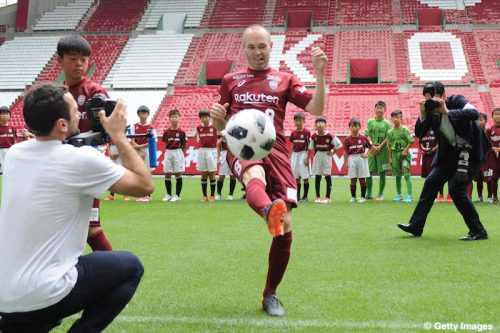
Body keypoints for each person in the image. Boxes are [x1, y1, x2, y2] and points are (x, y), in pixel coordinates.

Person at [0, 83, 154, 332]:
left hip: (6, 296)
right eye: (76, 111)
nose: (81, 115)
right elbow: (145, 185)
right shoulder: (81, 160)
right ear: (62, 124)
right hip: (45, 292)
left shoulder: (16, 154)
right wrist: (118, 136)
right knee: (130, 267)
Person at [209, 24, 327, 316]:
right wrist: (217, 120)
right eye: (252, 47)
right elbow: (222, 126)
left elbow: (315, 109)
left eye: (262, 46)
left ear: (271, 46)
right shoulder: (230, 80)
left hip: (277, 151)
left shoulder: (285, 79)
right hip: (241, 147)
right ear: (244, 48)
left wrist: (321, 74)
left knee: (283, 229)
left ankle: (270, 295)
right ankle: (266, 210)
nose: (257, 52)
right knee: (254, 176)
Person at [397, 81, 491, 240]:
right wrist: (423, 114)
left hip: (471, 152)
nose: (432, 103)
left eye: (434, 99)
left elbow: (474, 113)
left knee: (456, 189)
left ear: (444, 96)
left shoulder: (457, 101)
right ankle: (416, 226)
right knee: (431, 181)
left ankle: (478, 231)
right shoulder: (430, 112)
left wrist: (447, 111)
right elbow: (419, 132)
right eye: (428, 100)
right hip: (449, 155)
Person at [58, 33, 113, 251]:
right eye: (73, 58)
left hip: (87, 166)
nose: (80, 63)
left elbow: (105, 130)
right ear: (59, 60)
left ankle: (115, 274)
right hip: (60, 166)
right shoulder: (57, 94)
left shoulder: (94, 92)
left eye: (84, 59)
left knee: (91, 228)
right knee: (62, 225)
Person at [310, 117, 341, 203]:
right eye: (318, 123)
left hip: (327, 156)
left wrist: (333, 152)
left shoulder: (330, 135)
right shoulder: (313, 136)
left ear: (325, 125)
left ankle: (328, 197)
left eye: (322, 123)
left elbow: (338, 144)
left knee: (327, 175)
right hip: (318, 156)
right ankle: (318, 196)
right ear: (315, 125)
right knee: (318, 175)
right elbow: (311, 147)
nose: (320, 124)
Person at [364, 101, 391, 200]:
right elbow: (367, 134)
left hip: (382, 151)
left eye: (381, 108)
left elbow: (388, 137)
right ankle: (369, 193)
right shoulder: (370, 121)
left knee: (382, 172)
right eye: (377, 108)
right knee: (369, 172)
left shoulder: (387, 123)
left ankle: (380, 194)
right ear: (374, 109)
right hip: (372, 150)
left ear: (385, 110)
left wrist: (379, 146)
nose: (379, 109)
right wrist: (372, 145)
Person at [387, 110, 414, 203]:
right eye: (394, 117)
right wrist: (390, 158)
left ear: (401, 118)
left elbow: (411, 141)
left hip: (404, 155)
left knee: (406, 175)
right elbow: (389, 146)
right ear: (392, 119)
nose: (396, 119)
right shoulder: (390, 132)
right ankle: (399, 194)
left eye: (397, 117)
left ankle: (409, 195)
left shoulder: (405, 130)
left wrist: (405, 150)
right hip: (395, 155)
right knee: (397, 176)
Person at [343, 118, 371, 203]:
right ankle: (353, 197)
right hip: (352, 158)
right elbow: (345, 151)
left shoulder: (363, 138)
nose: (354, 128)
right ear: (349, 127)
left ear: (359, 127)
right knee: (353, 179)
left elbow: (371, 147)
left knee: (362, 178)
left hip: (361, 158)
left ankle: (363, 197)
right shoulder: (347, 139)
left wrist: (367, 155)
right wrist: (345, 162)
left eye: (356, 126)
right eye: (352, 126)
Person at [162, 109, 186, 202]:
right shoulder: (166, 132)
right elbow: (165, 142)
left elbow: (184, 144)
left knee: (177, 173)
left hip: (178, 152)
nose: (174, 119)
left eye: (176, 117)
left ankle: (177, 195)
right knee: (167, 173)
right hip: (168, 152)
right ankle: (168, 194)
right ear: (169, 119)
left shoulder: (181, 132)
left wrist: (181, 153)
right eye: (172, 117)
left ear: (179, 118)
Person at [194, 109, 218, 202]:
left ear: (209, 117)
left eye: (206, 117)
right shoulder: (198, 128)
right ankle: (204, 196)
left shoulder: (215, 127)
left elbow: (223, 135)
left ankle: (212, 195)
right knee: (203, 173)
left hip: (212, 151)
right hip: (202, 151)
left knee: (212, 173)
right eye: (202, 117)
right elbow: (194, 135)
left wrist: (217, 142)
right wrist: (197, 140)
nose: (204, 119)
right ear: (200, 118)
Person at [419, 128, 449, 202]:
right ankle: (432, 196)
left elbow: (440, 143)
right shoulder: (423, 128)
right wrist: (423, 149)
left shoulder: (437, 128)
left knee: (437, 175)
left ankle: (440, 195)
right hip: (426, 156)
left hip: (436, 155)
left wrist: (432, 150)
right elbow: (419, 141)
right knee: (429, 177)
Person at [467, 113, 491, 202]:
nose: (478, 122)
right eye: (477, 120)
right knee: (478, 179)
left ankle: (490, 197)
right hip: (476, 159)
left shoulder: (488, 131)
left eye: (481, 120)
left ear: (486, 121)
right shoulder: (472, 132)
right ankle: (479, 197)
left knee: (489, 179)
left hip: (487, 160)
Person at [289, 112, 311, 202]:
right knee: (296, 177)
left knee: (305, 177)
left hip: (303, 154)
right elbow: (292, 145)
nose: (298, 122)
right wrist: (289, 157)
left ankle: (305, 196)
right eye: (296, 121)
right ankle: (297, 196)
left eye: (300, 121)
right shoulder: (293, 133)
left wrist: (307, 158)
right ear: (294, 122)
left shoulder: (307, 132)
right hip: (295, 155)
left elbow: (310, 146)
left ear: (303, 121)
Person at [484, 108, 500, 204]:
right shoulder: (489, 130)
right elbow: (486, 144)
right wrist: (494, 149)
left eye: (499, 114)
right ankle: (495, 197)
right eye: (496, 114)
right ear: (492, 116)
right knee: (494, 178)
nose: (498, 116)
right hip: (493, 158)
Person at [216, 130, 236, 200]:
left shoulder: (234, 132)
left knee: (232, 176)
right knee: (221, 176)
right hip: (223, 154)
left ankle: (230, 194)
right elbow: (218, 145)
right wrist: (218, 157)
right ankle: (218, 194)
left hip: (233, 154)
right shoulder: (221, 132)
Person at [0, 106, 17, 174]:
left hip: (10, 150)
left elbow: (15, 139)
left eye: (7, 114)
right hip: (0, 150)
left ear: (10, 115)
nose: (5, 116)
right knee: (1, 168)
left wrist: (15, 148)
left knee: (9, 167)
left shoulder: (12, 127)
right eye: (3, 114)